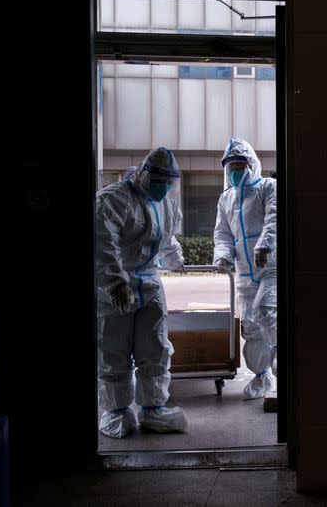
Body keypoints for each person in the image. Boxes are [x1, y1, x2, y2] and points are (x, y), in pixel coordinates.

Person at [95, 147, 189, 438]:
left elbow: (167, 238)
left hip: (149, 284)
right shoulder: (113, 200)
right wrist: (114, 284)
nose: (163, 187)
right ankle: (115, 412)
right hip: (117, 289)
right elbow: (102, 245)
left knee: (156, 348)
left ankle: (152, 409)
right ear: (143, 174)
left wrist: (176, 261)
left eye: (168, 182)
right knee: (113, 350)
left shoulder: (165, 204)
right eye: (158, 180)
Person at [213, 138, 277, 400]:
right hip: (244, 273)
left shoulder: (267, 187)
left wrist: (265, 245)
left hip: (270, 268)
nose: (236, 170)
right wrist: (223, 257)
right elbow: (223, 234)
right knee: (250, 327)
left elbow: (275, 218)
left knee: (269, 313)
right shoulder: (226, 198)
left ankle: (287, 374)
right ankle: (262, 377)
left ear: (252, 165)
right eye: (231, 166)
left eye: (240, 165)